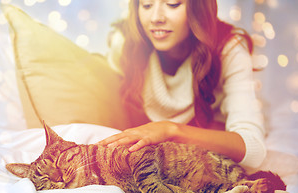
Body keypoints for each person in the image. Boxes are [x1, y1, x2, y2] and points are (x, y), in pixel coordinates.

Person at [99, 0, 266, 168]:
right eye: (147, 5)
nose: (155, 18)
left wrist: (171, 131)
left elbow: (253, 149)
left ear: (199, 7)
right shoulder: (126, 44)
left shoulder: (229, 48)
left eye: (172, 4)